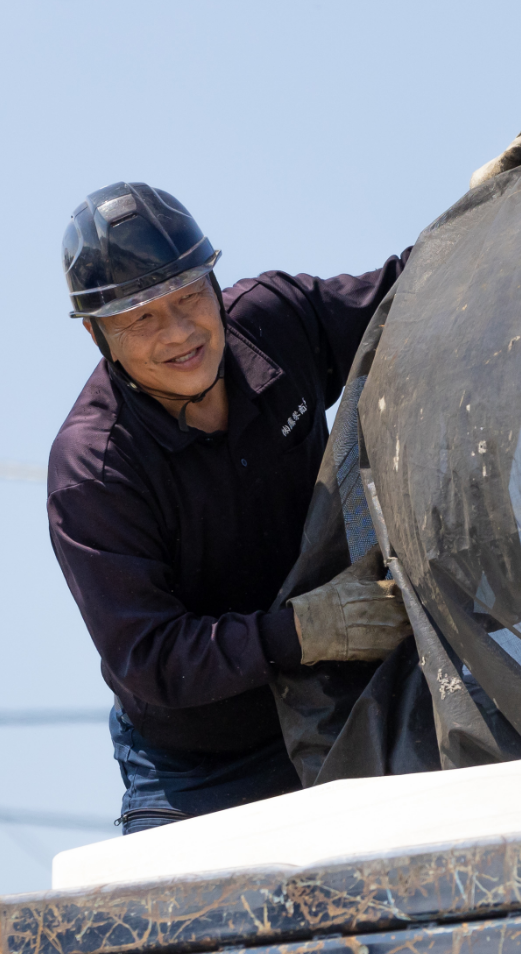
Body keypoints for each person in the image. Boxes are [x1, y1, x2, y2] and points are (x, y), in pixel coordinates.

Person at [47, 182, 414, 833]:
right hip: (198, 766)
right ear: (97, 335)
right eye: (143, 318)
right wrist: (301, 631)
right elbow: (152, 656)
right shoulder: (94, 473)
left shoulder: (275, 321)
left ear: (212, 282)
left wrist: (490, 209)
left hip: (347, 699)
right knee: (189, 925)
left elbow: (411, 298)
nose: (180, 332)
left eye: (189, 297)